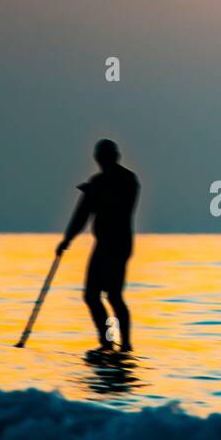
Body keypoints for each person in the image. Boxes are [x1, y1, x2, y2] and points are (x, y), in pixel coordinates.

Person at [56, 139, 139, 353]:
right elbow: (82, 215)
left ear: (114, 157)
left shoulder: (128, 180)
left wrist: (96, 193)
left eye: (106, 157)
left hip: (118, 245)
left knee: (113, 296)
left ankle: (126, 344)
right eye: (100, 158)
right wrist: (67, 239)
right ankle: (107, 340)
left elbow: (121, 209)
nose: (103, 161)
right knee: (91, 296)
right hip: (101, 245)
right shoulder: (96, 183)